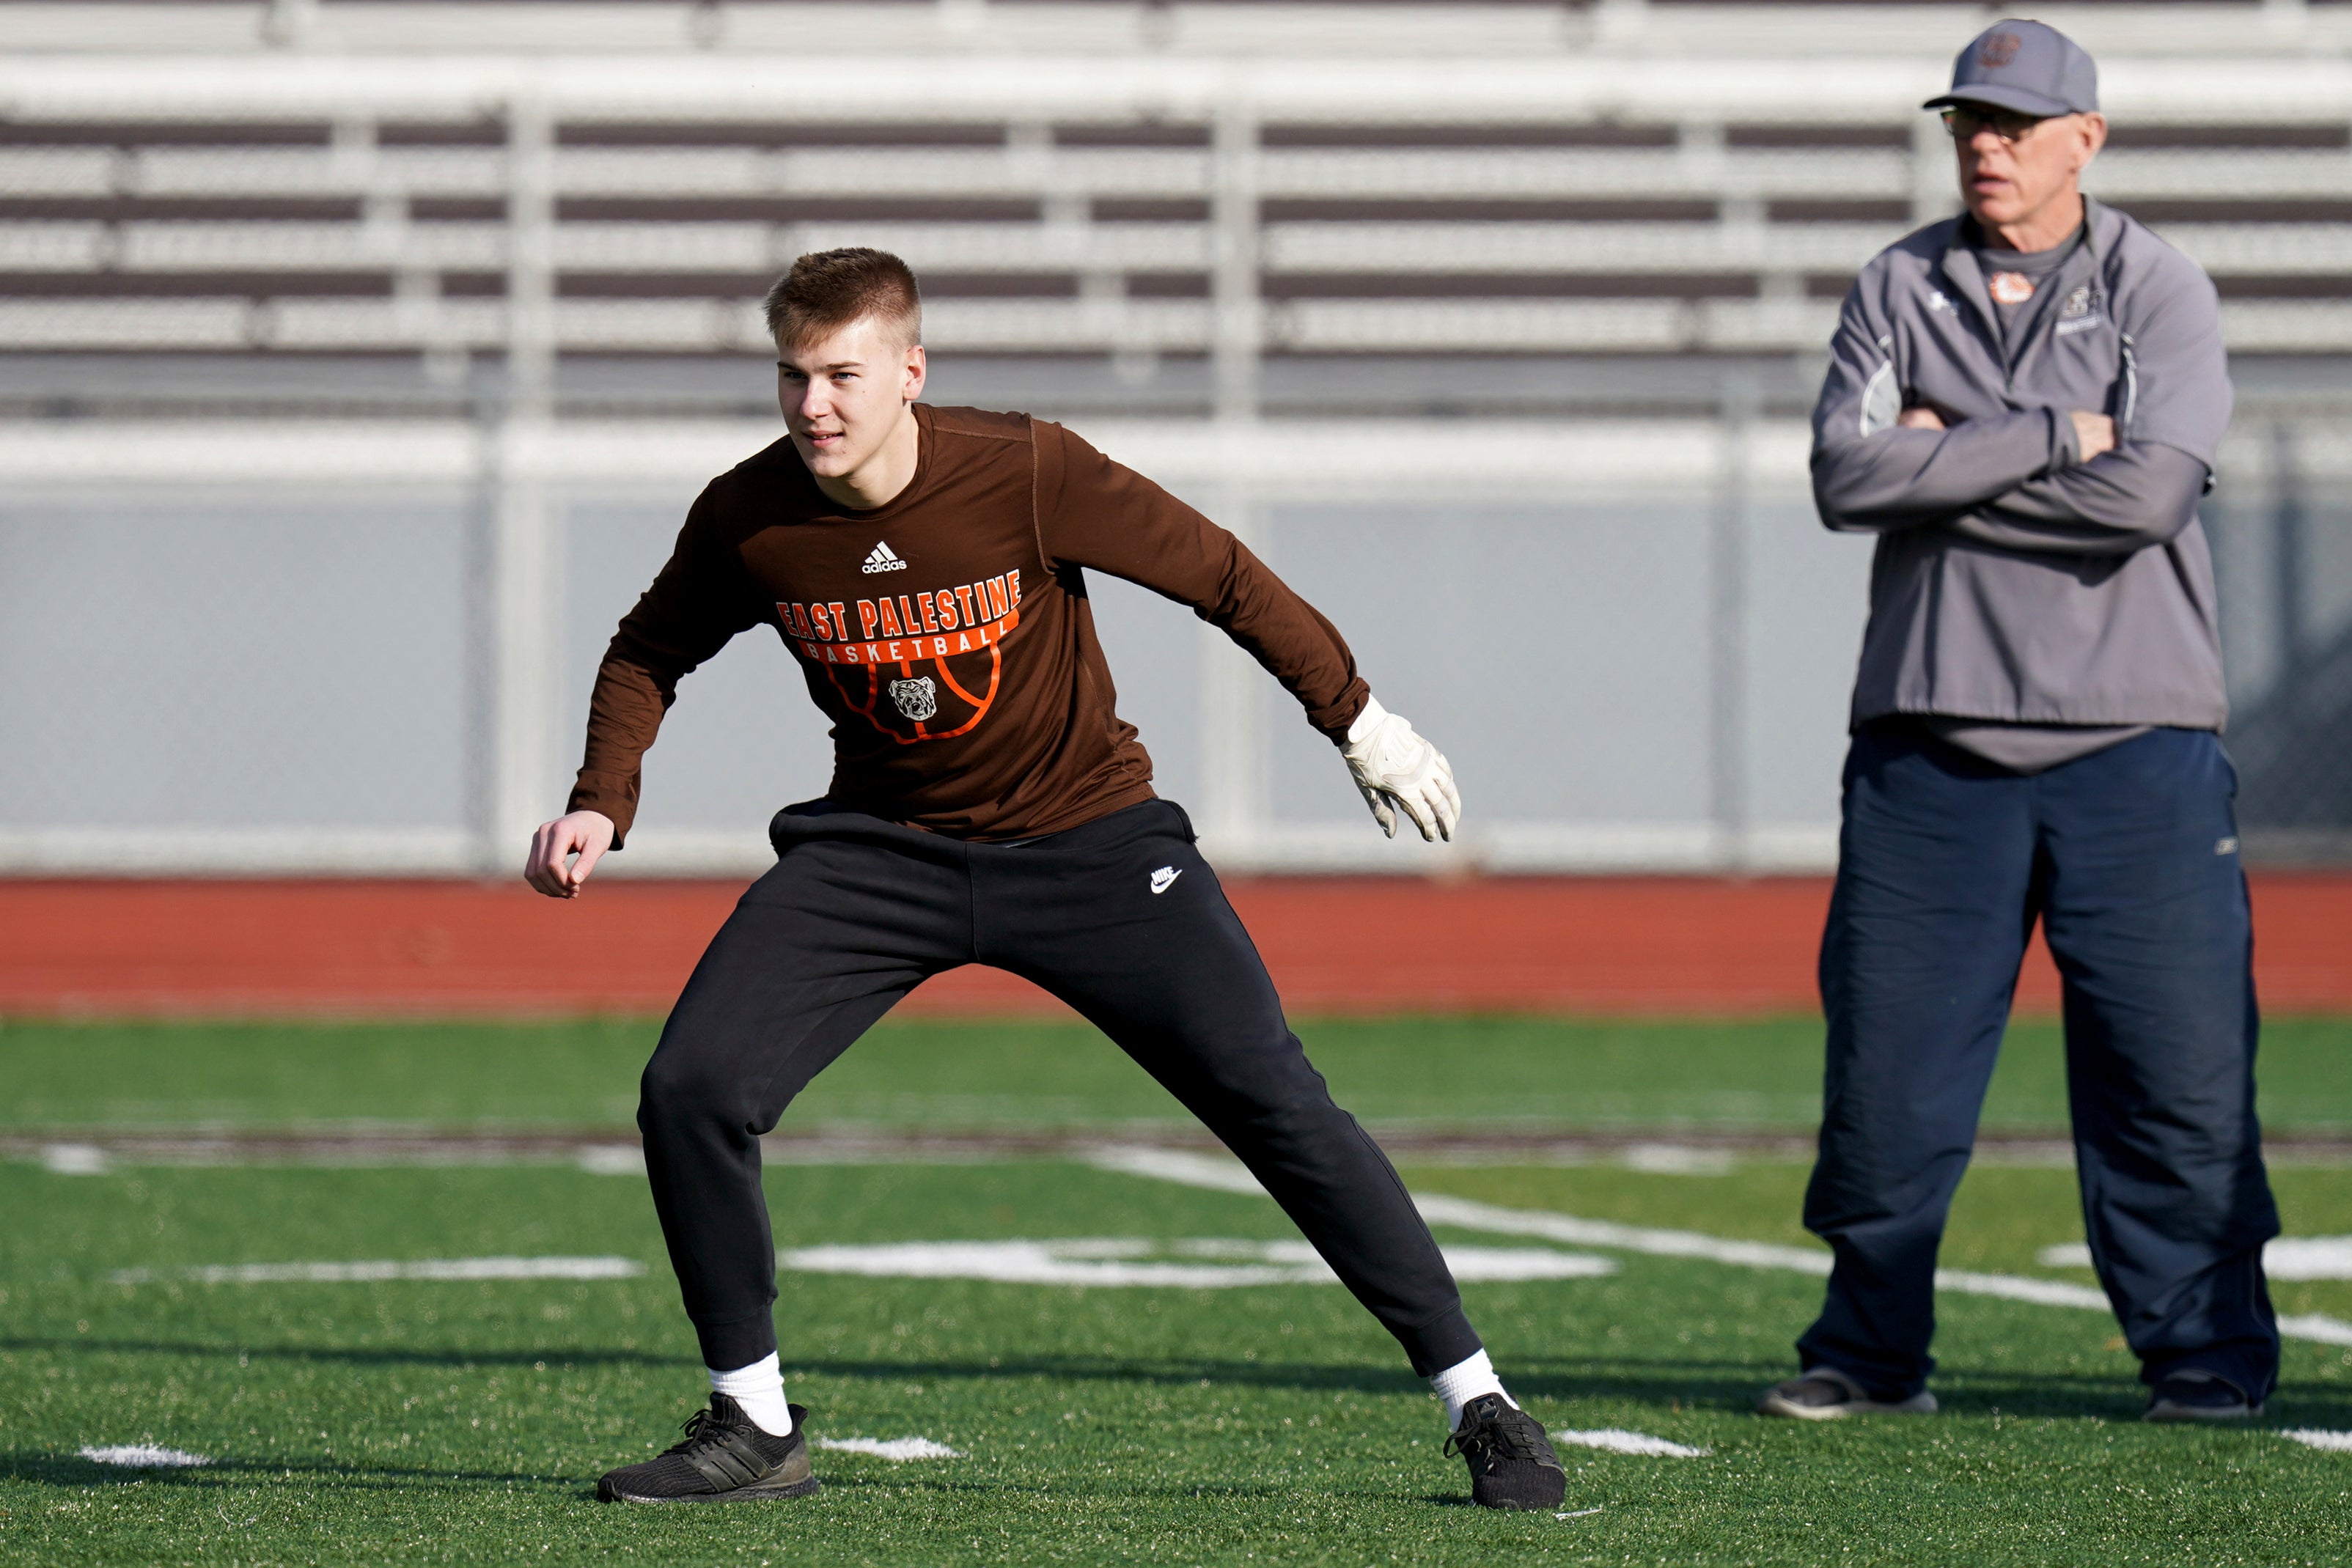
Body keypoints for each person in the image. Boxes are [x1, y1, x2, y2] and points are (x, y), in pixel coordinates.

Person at [525, 247, 1566, 1509]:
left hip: (1091, 845)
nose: (816, 408)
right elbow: (649, 648)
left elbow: (1221, 575)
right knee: (690, 1087)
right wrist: (601, 798)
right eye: (793, 377)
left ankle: (1482, 1401)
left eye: (844, 376)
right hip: (882, 854)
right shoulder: (750, 514)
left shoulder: (1026, 469)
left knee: (1276, 1102)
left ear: (912, 371)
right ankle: (753, 1425)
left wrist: (1356, 719)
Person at [1757, 20, 2279, 1424]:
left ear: (2083, 142)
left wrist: (1948, 453)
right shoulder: (1897, 281)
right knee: (1890, 1079)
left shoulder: (2160, 289)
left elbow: (2151, 498)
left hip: (2140, 744)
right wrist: (2059, 433)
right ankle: (1866, 1354)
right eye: (1968, 123)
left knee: (2175, 1075)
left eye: (2014, 124)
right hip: (1930, 743)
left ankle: (2208, 1359)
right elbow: (1847, 478)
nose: (1985, 145)